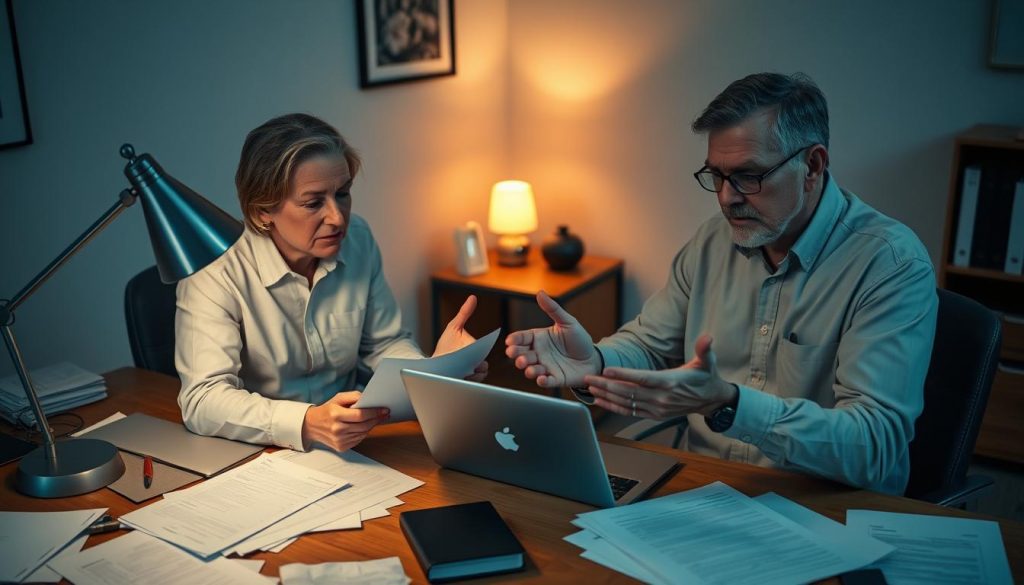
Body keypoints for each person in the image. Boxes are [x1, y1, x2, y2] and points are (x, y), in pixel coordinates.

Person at [505, 73, 937, 494]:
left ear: (813, 165)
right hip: (708, 488)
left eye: (749, 176)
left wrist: (728, 405)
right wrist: (596, 362)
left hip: (824, 503)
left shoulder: (890, 264)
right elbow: (653, 345)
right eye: (717, 176)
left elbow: (875, 447)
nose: (727, 197)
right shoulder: (714, 238)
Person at [176, 113, 486, 453]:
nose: (337, 218)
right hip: (261, 451)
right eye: (313, 203)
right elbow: (202, 400)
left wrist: (433, 374)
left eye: (342, 194)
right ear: (262, 211)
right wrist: (307, 422)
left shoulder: (359, 239)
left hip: (356, 443)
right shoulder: (214, 271)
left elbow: (384, 344)